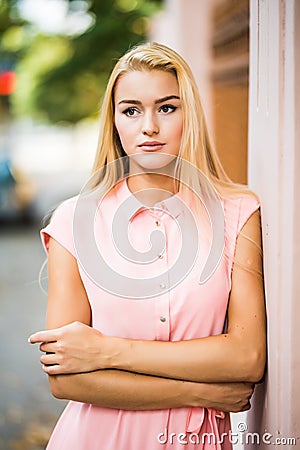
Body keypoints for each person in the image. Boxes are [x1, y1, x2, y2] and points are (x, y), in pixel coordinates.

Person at [29, 42, 266, 450]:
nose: (149, 127)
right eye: (132, 110)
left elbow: (246, 357)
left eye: (167, 108)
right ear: (115, 122)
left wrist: (105, 351)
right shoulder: (72, 220)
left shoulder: (238, 213)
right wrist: (200, 393)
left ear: (188, 115)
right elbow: (66, 377)